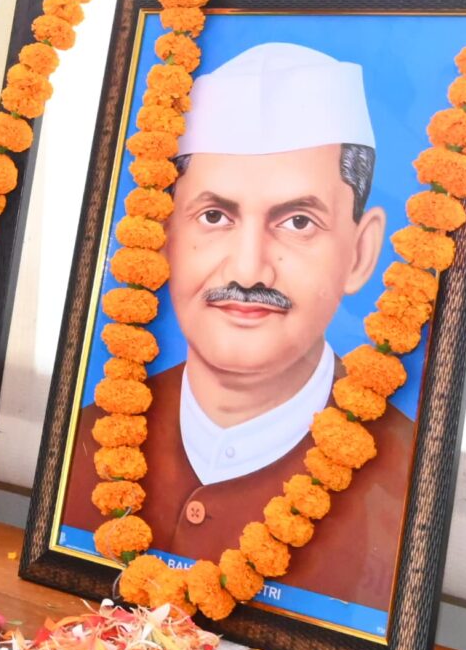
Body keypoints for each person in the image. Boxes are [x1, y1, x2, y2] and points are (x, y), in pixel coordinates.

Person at [61, 42, 415, 611]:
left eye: (298, 222)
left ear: (361, 252)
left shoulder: (406, 484)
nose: (249, 271)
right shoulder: (85, 445)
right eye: (214, 216)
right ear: (163, 235)